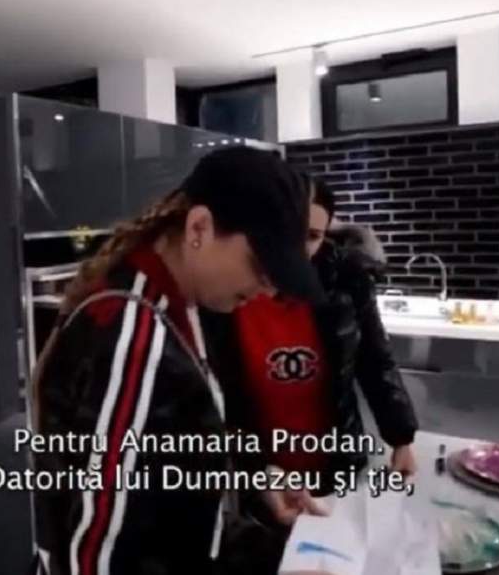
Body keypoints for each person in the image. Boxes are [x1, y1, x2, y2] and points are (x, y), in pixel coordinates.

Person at [31, 147, 326, 575]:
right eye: (260, 265)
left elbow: (168, 458)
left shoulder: (177, 303)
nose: (268, 288)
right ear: (199, 227)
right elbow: (99, 555)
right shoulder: (135, 338)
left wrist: (255, 478)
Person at [204, 175, 419, 497]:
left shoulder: (346, 280)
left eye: (313, 236)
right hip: (257, 473)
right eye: (287, 228)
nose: (297, 247)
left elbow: (376, 359)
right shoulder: (225, 289)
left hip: (334, 463)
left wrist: (401, 438)